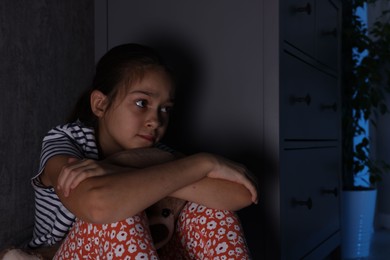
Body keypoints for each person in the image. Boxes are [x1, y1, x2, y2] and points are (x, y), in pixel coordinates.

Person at [27, 43, 258, 259]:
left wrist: (122, 165)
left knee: (211, 213)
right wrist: (202, 164)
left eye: (165, 109)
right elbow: (97, 205)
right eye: (141, 103)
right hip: (60, 254)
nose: (156, 121)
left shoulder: (158, 153)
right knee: (119, 211)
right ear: (100, 104)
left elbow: (243, 194)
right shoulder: (68, 140)